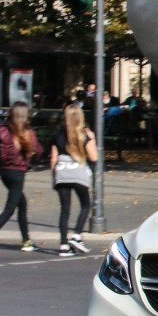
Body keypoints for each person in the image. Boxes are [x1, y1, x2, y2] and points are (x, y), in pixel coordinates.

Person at [0, 101, 43, 254]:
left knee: (22, 204)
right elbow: (39, 151)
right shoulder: (27, 132)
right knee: (10, 207)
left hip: (4, 172)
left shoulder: (1, 130)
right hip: (18, 173)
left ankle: (26, 241)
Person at [49, 104, 97, 257]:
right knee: (85, 204)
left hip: (61, 172)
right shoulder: (84, 135)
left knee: (65, 209)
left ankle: (63, 245)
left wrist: (54, 177)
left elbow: (53, 158)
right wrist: (93, 139)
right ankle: (77, 235)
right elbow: (94, 157)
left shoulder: (58, 135)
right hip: (78, 172)